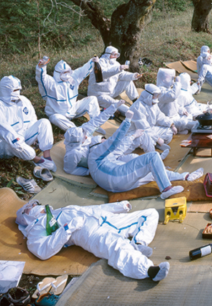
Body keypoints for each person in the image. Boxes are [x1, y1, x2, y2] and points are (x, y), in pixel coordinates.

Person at [16, 199, 171, 281]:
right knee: (115, 245)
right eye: (29, 207)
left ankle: (137, 244)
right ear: (26, 216)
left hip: (106, 220)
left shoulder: (59, 211)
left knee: (150, 213)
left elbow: (90, 209)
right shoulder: (35, 228)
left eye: (33, 203)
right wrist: (67, 229)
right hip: (88, 233)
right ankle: (149, 271)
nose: (34, 204)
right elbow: (42, 251)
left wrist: (116, 207)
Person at [89, 115, 192, 198]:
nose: (106, 141)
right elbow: (115, 141)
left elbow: (120, 148)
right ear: (97, 144)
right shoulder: (96, 153)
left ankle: (184, 176)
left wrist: (134, 136)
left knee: (151, 170)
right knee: (152, 156)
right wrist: (127, 120)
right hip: (118, 177)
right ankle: (166, 189)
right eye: (103, 140)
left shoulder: (98, 159)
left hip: (116, 185)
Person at [0, 76, 56, 173]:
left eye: (18, 89)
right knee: (16, 144)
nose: (17, 92)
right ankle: (37, 160)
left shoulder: (24, 100)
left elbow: (33, 120)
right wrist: (26, 149)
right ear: (5, 90)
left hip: (22, 137)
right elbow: (7, 135)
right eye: (14, 90)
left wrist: (34, 138)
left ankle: (47, 157)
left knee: (44, 122)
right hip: (1, 143)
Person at [63, 101, 129, 176]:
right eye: (83, 137)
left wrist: (114, 106)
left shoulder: (84, 130)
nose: (86, 136)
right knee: (122, 169)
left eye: (84, 132)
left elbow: (99, 119)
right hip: (97, 163)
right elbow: (69, 170)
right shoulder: (73, 154)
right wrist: (89, 172)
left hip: (100, 151)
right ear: (78, 142)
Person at [36, 57, 101, 131]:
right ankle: (77, 131)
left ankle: (95, 125)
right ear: (58, 73)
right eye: (64, 73)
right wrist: (41, 67)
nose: (66, 74)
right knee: (55, 118)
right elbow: (41, 77)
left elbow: (83, 70)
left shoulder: (73, 78)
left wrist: (92, 62)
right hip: (58, 114)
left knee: (92, 99)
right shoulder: (51, 83)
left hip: (73, 110)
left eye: (67, 72)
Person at [87, 46, 140, 116]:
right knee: (117, 104)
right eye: (114, 54)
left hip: (110, 92)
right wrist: (119, 68)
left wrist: (133, 75)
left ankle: (137, 103)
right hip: (99, 94)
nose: (115, 56)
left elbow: (122, 75)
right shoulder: (98, 63)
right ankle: (134, 115)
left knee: (128, 81)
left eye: (117, 55)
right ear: (107, 54)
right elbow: (103, 74)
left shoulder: (116, 64)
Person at [127, 84, 177, 159]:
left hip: (150, 130)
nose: (157, 98)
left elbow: (160, 117)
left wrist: (171, 124)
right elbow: (144, 128)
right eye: (155, 95)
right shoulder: (137, 107)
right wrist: (157, 139)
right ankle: (153, 155)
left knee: (168, 132)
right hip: (137, 133)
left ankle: (154, 144)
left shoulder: (153, 104)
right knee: (146, 139)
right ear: (148, 95)